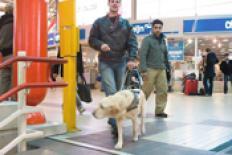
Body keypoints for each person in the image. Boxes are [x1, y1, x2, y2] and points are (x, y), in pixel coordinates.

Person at [89, 0, 138, 136]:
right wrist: (100, 45)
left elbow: (132, 42)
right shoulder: (99, 22)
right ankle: (114, 123)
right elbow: (91, 39)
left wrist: (131, 59)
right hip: (105, 62)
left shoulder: (125, 24)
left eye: (117, 1)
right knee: (111, 91)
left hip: (121, 62)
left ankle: (115, 119)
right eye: (112, 1)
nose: (115, 3)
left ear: (119, 4)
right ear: (108, 3)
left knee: (119, 93)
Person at [139, 19, 170, 118]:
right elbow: (142, 55)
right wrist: (143, 70)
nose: (158, 29)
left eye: (160, 28)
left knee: (163, 90)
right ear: (152, 28)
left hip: (161, 69)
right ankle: (137, 109)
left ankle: (160, 111)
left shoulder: (163, 41)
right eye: (156, 27)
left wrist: (167, 67)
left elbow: (165, 55)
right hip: (149, 69)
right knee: (145, 91)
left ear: (162, 28)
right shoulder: (147, 40)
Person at [0, 3, 14, 96]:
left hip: (3, 56)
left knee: (4, 81)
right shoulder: (15, 21)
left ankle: (2, 103)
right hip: (13, 55)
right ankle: (13, 104)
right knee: (14, 82)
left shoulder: (1, 22)